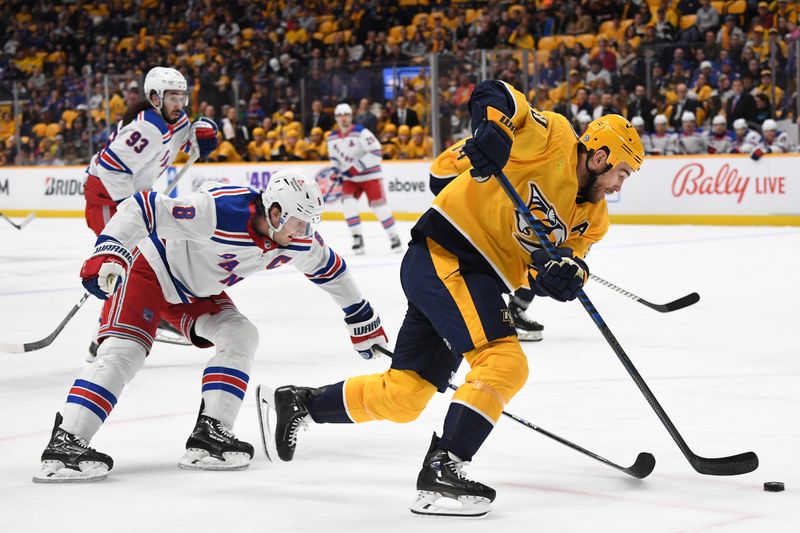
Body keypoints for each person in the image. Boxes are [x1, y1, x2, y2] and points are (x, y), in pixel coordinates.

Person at [259, 80, 643, 517]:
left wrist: (564, 277)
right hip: (449, 252)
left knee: (404, 395)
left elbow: (555, 269)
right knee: (504, 361)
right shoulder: (553, 136)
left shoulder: (595, 218)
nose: (618, 186)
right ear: (599, 156)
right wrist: (493, 133)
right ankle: (444, 470)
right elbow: (496, 95)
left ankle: (301, 402)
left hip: (468, 276)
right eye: (621, 173)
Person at [33, 169, 389, 483]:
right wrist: (109, 250)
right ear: (276, 213)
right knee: (123, 352)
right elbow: (142, 207)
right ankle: (66, 443)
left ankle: (210, 435)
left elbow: (331, 269)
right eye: (299, 222)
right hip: (150, 270)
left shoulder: (296, 239)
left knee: (240, 334)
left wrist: (361, 318)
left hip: (192, 293)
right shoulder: (219, 209)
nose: (304, 232)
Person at [83, 66, 218, 358]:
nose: (179, 103)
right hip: (105, 199)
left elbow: (187, 140)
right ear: (155, 98)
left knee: (143, 258)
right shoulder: (146, 128)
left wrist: (203, 134)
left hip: (133, 197)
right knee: (124, 260)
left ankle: (108, 332)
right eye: (172, 97)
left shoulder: (177, 119)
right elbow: (109, 167)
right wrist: (129, 210)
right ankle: (105, 337)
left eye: (182, 97)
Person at [326, 103, 402, 254]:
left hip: (370, 176)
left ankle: (394, 236)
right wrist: (335, 170)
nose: (344, 118)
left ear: (351, 116)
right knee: (349, 206)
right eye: (340, 115)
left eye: (346, 114)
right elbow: (334, 158)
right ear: (336, 118)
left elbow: (376, 152)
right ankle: (356, 237)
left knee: (380, 208)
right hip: (350, 179)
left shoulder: (361, 132)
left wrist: (355, 168)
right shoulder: (332, 138)